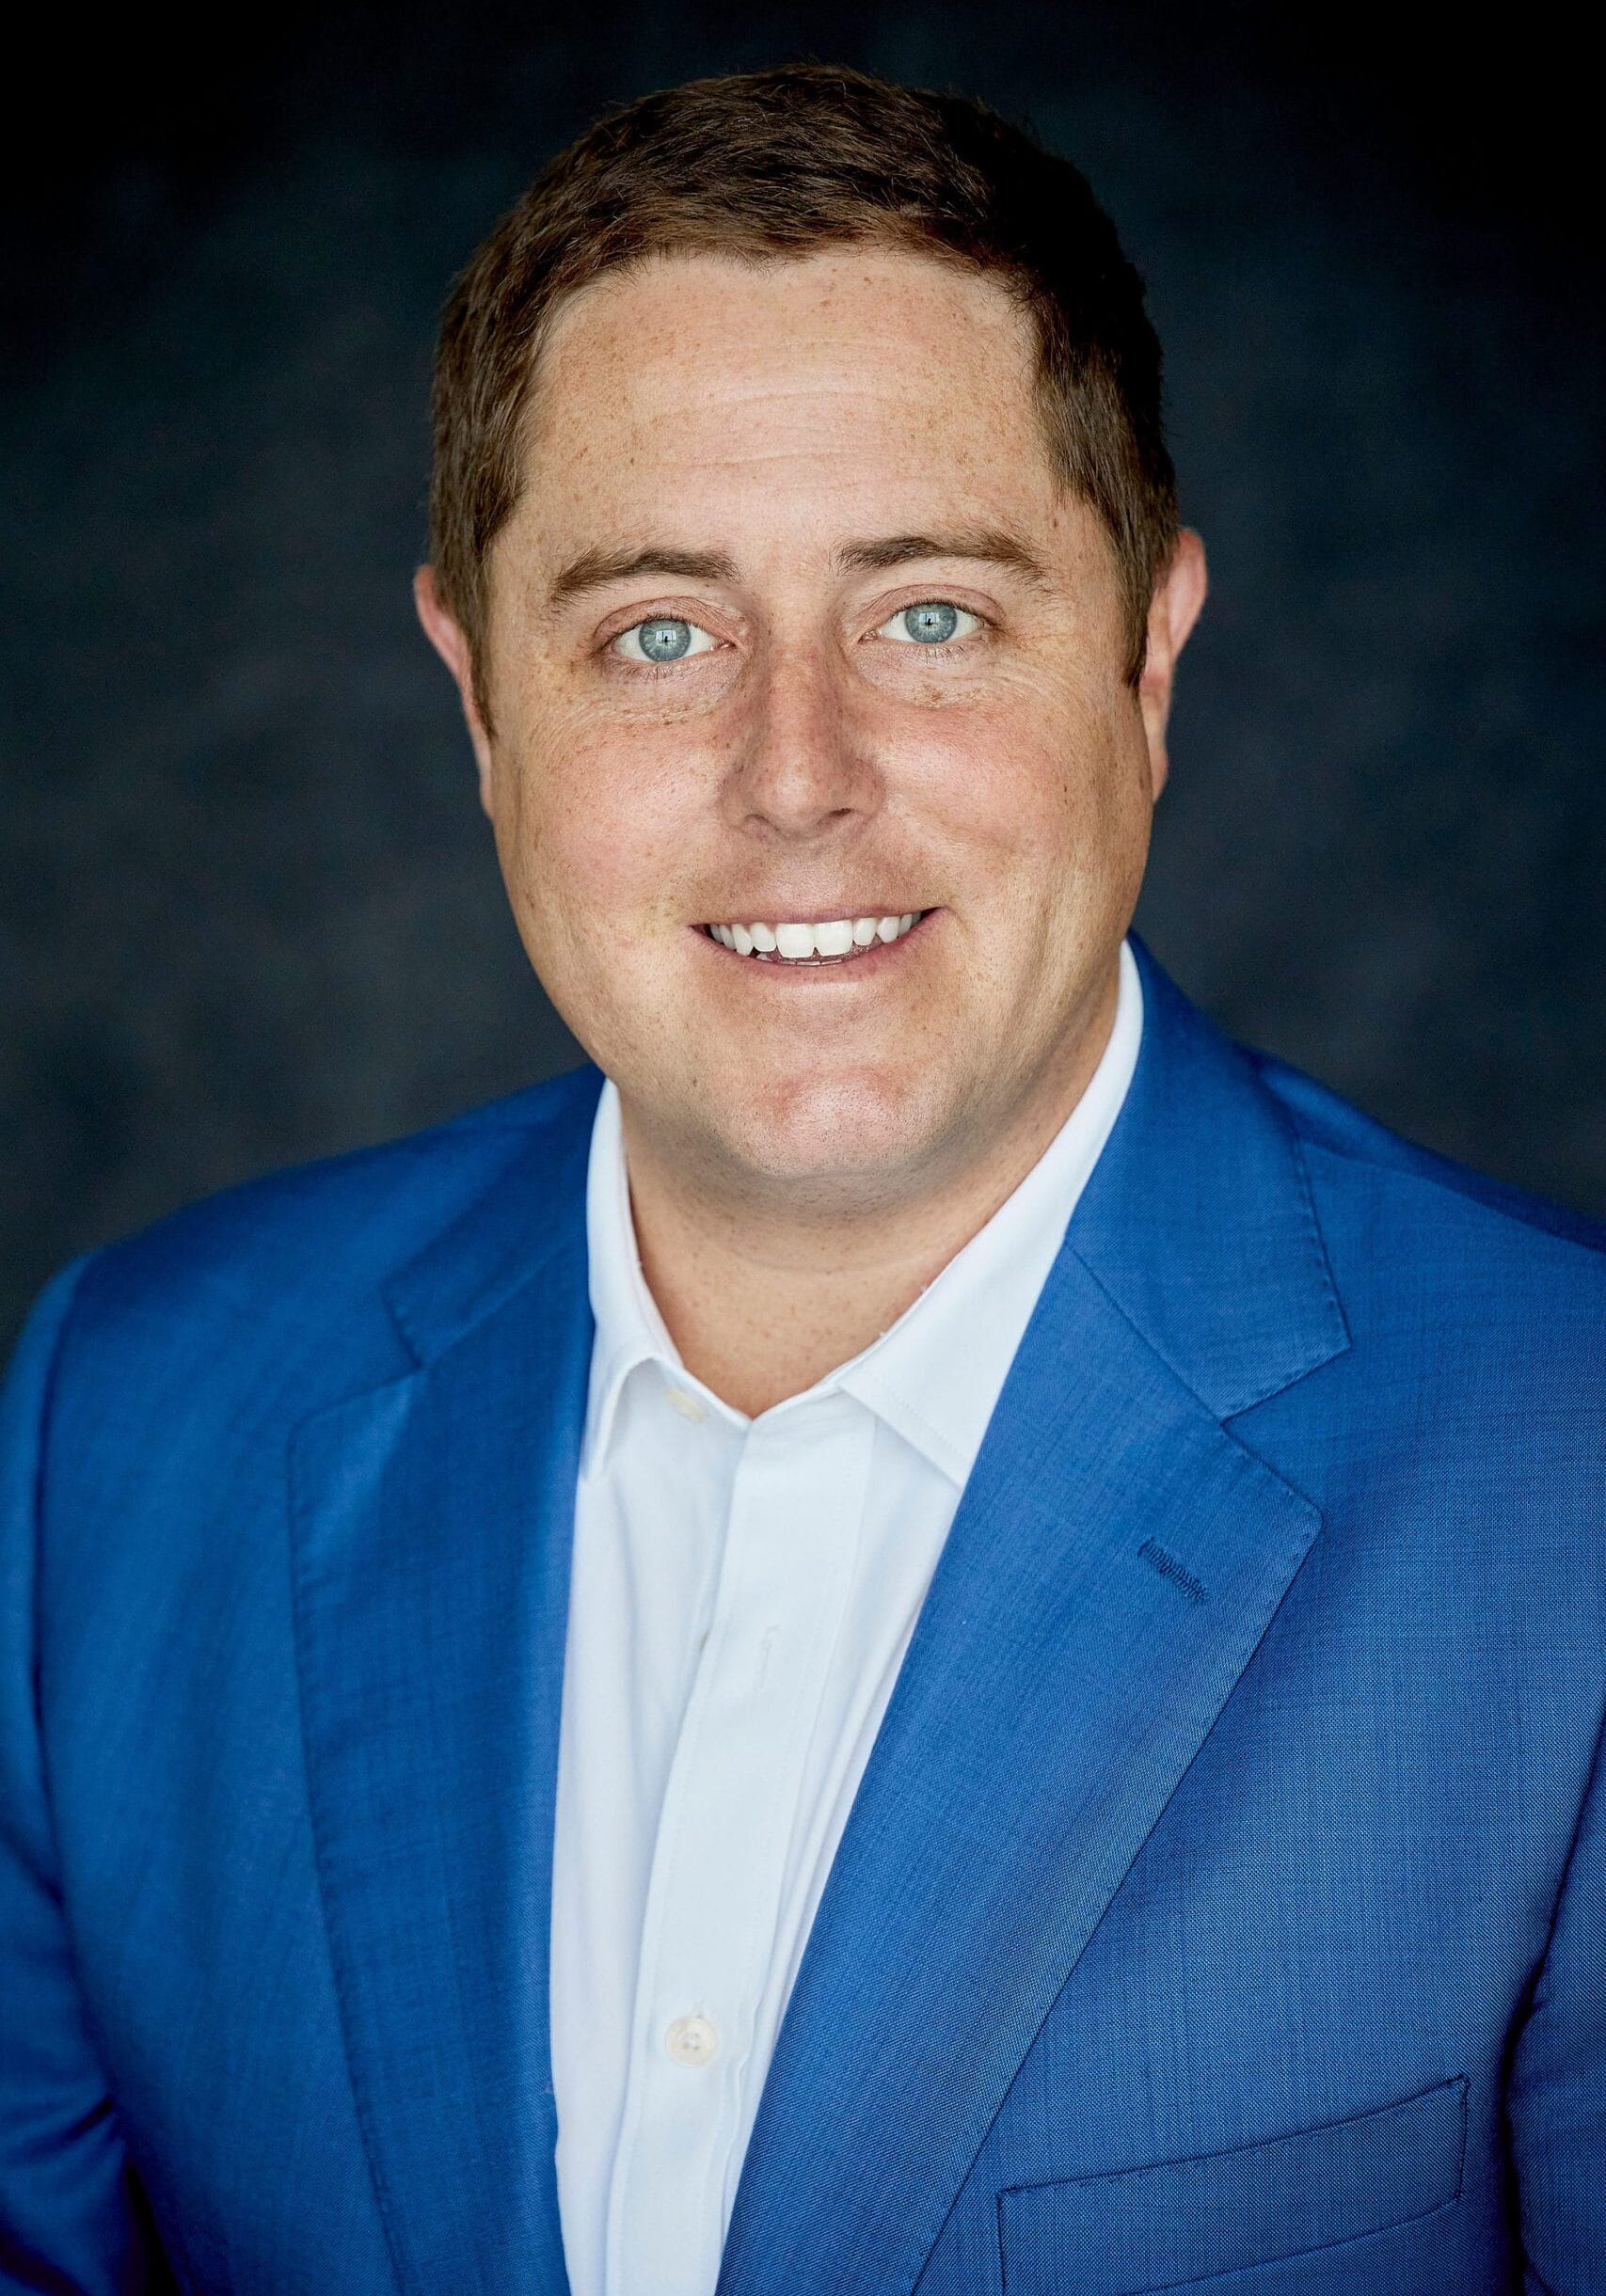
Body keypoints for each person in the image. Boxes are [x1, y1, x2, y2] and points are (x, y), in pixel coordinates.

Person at [1, 61, 1601, 2296]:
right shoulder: (121, 1429)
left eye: (928, 613)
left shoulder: (1566, 1479)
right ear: (479, 708)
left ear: (1146, 653)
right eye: (656, 631)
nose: (795, 778)